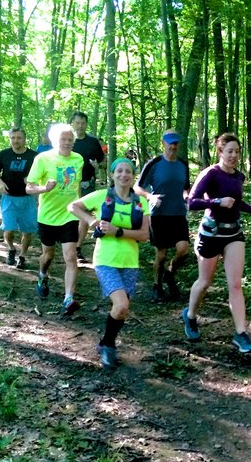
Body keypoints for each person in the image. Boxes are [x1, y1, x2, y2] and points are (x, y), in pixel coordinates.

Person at [181, 133, 251, 354]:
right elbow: (192, 202)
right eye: (229, 151)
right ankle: (190, 315)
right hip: (210, 233)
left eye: (237, 151)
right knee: (205, 282)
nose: (234, 155)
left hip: (233, 234)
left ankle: (241, 333)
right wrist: (216, 201)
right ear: (220, 152)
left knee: (235, 284)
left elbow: (237, 203)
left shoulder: (239, 176)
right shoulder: (210, 174)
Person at [68, 158, 151, 368]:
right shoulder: (102, 196)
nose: (124, 175)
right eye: (120, 171)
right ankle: (109, 346)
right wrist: (91, 221)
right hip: (105, 260)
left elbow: (144, 235)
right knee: (121, 304)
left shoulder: (141, 202)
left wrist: (118, 231)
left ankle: (106, 341)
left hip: (130, 262)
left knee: (122, 309)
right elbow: (73, 206)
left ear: (134, 176)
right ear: (112, 175)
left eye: (128, 172)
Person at [25, 123, 84, 316]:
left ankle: (68, 298)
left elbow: (76, 187)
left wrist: (81, 205)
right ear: (54, 140)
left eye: (70, 140)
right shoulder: (43, 158)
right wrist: (44, 189)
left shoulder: (78, 159)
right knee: (48, 255)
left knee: (71, 257)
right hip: (48, 216)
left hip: (69, 215)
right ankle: (42, 275)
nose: (67, 143)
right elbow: (29, 187)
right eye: (63, 139)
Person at [134, 130, 191, 302]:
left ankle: (169, 273)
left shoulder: (183, 164)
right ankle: (157, 286)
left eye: (175, 143)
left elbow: (186, 187)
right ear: (163, 143)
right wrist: (150, 196)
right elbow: (138, 187)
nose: (173, 146)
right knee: (161, 254)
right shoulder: (154, 163)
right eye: (169, 143)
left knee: (183, 250)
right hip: (159, 215)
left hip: (178, 213)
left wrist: (187, 196)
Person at [0, 128, 38, 270]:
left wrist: (32, 181)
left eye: (19, 138)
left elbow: (41, 174)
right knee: (8, 229)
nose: (16, 140)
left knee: (27, 231)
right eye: (13, 138)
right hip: (9, 198)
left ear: (25, 139)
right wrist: (0, 182)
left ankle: (22, 256)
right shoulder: (4, 154)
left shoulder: (34, 156)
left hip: (27, 198)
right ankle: (11, 249)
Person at [69, 111, 106, 263]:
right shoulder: (67, 140)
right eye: (77, 123)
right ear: (72, 123)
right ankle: (67, 244)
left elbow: (103, 162)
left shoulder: (92, 141)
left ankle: (77, 248)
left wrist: (98, 165)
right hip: (68, 185)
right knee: (68, 217)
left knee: (84, 217)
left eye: (83, 123)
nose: (80, 126)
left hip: (87, 184)